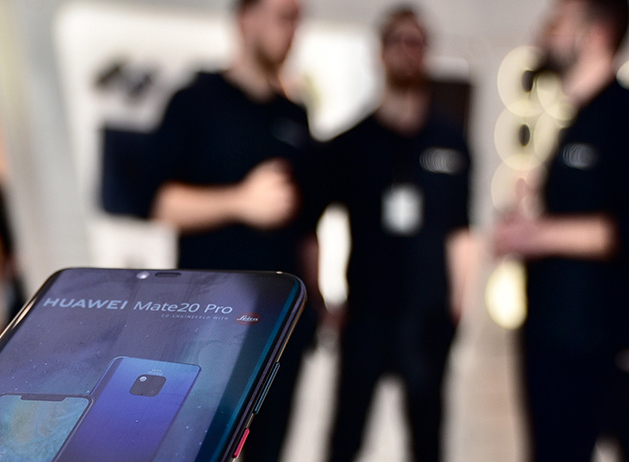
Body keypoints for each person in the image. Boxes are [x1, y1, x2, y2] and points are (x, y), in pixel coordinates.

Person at [144, 0, 325, 460]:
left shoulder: (295, 115)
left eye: (297, 19)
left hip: (278, 327)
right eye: (282, 16)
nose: (292, 29)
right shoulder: (194, 102)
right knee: (198, 449)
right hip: (208, 325)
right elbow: (159, 202)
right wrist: (240, 201)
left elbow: (306, 225)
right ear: (246, 19)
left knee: (270, 449)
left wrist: (316, 300)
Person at [321, 7, 474, 462]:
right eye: (399, 41)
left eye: (417, 42)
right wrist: (322, 298)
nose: (408, 52)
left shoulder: (451, 141)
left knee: (427, 440)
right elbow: (313, 221)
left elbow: (462, 231)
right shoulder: (352, 143)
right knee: (345, 438)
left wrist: (457, 306)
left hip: (427, 319)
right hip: (366, 314)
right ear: (380, 52)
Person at [493, 0, 629, 459]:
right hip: (547, 329)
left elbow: (621, 228)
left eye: (560, 23)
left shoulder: (620, 116)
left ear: (596, 35)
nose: (546, 32)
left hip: (588, 339)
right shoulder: (572, 117)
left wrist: (536, 235)